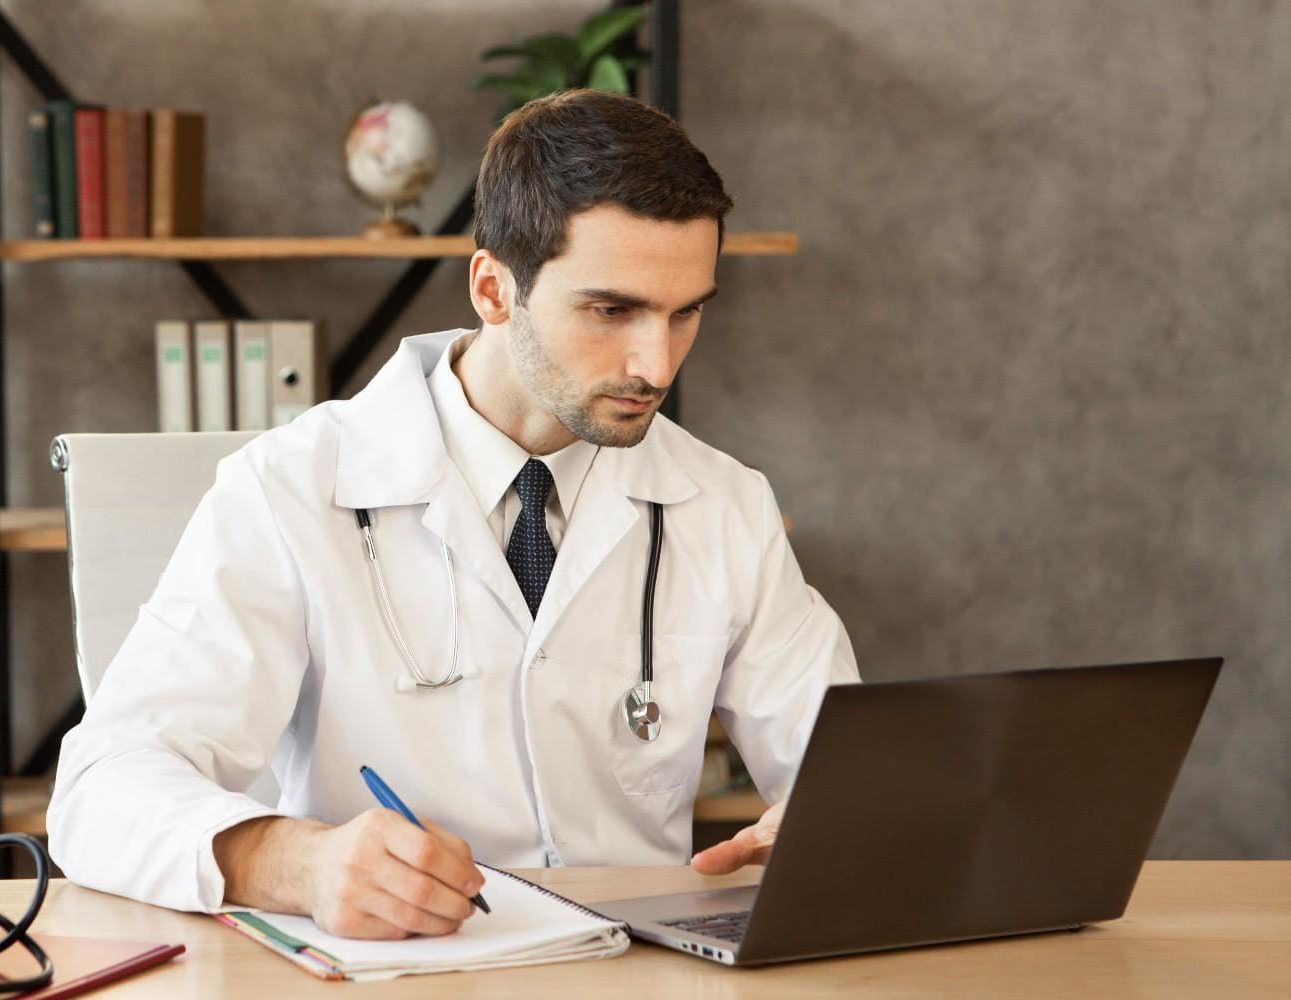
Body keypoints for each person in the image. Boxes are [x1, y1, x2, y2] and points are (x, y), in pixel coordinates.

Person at [48, 89, 858, 939]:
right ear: (493, 289)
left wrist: (837, 820)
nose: (656, 365)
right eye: (611, 310)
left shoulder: (724, 504)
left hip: (635, 969)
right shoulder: (286, 489)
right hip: (400, 970)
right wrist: (299, 864)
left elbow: (849, 764)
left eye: (685, 312)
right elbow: (101, 788)